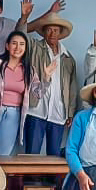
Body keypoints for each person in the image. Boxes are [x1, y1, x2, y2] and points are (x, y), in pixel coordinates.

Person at [25, 12, 78, 155]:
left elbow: (72, 88)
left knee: (54, 156)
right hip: (36, 110)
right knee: (31, 155)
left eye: (56, 30)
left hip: (58, 113)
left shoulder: (68, 58)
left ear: (60, 33)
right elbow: (19, 34)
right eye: (49, 29)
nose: (52, 33)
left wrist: (70, 112)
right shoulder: (35, 47)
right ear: (43, 32)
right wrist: (25, 17)